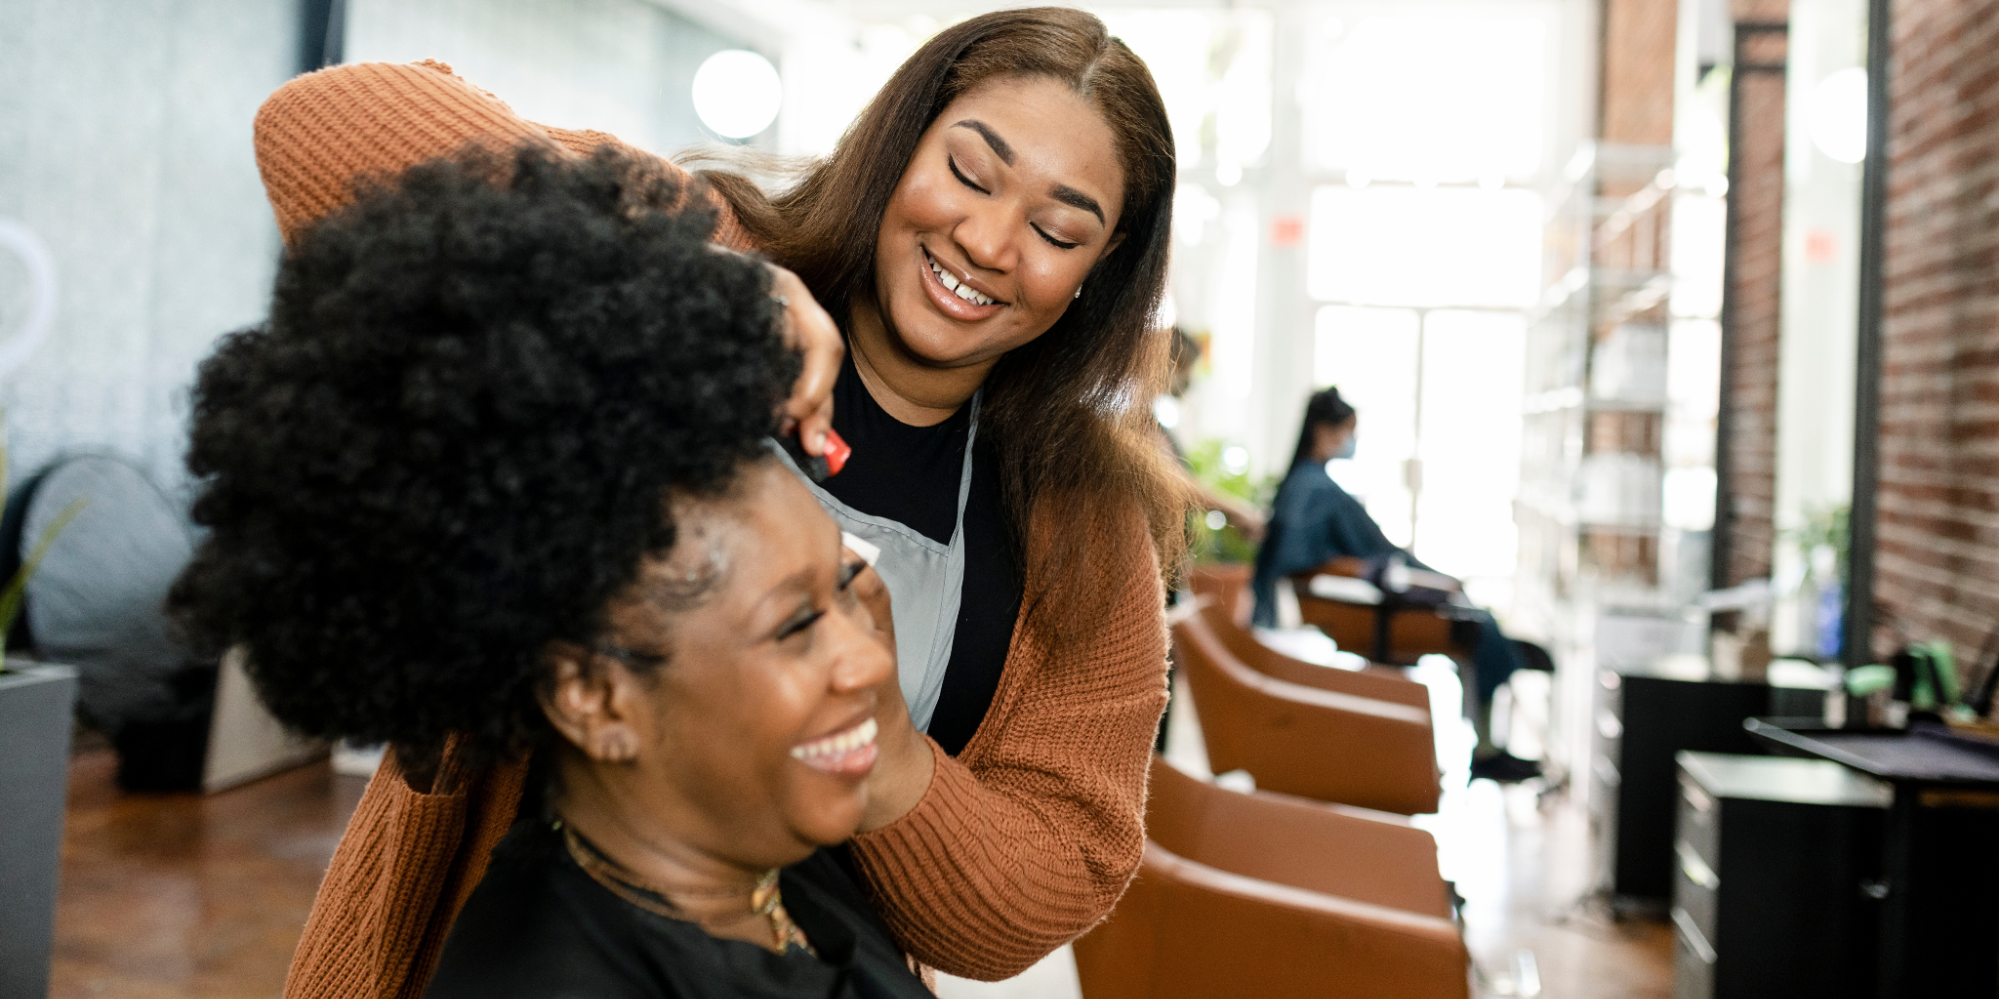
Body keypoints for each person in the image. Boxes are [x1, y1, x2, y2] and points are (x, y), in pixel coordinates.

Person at [251, 8, 1186, 993]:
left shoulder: (1082, 517)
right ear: (897, 149)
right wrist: (687, 287)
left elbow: (1048, 883)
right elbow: (318, 131)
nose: (990, 241)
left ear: (1099, 270)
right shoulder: (696, 241)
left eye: (1055, 229)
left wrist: (878, 745)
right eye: (967, 171)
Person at [169, 147, 930, 997]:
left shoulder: (771, 867)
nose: (871, 662)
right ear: (593, 697)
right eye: (795, 625)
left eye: (842, 589)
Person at [1253, 387, 1541, 783]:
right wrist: (1419, 580)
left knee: (1478, 619)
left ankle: (1490, 745)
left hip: (1370, 592)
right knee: (1479, 625)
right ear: (1325, 431)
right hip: (1367, 608)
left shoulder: (1306, 484)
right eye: (1349, 432)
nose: (1352, 442)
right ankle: (1489, 750)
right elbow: (1336, 559)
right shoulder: (1315, 489)